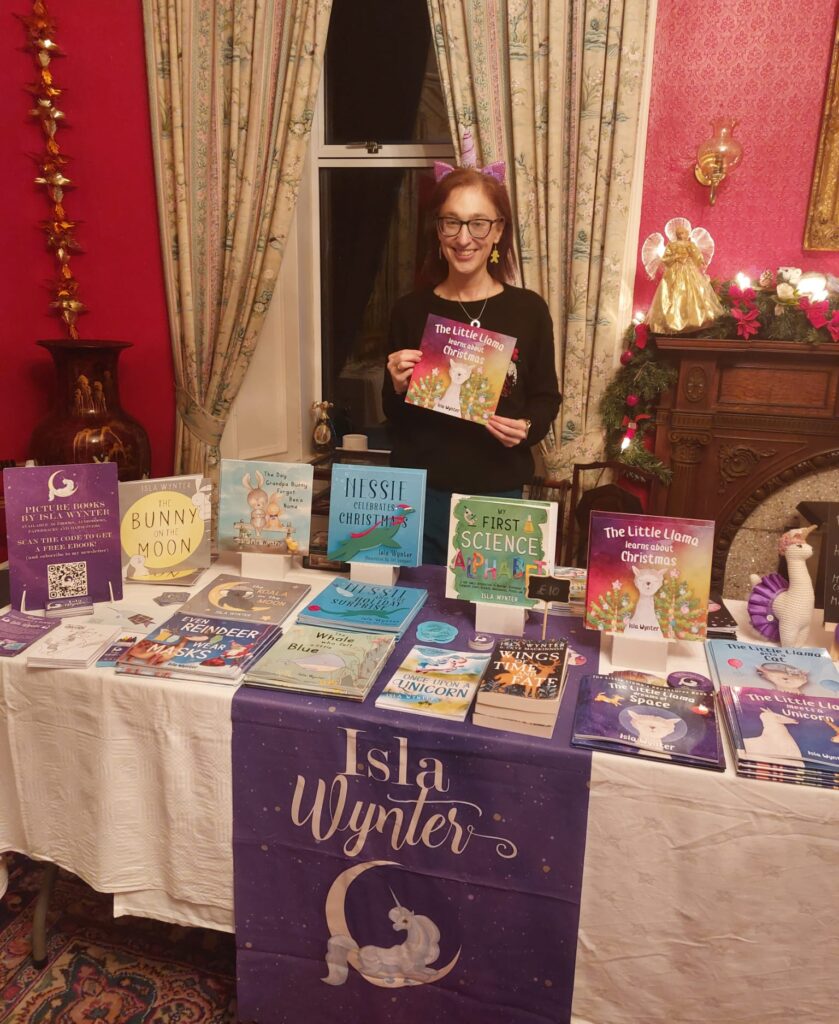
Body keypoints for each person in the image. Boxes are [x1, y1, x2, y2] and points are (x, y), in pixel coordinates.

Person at [383, 164, 561, 565]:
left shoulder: (528, 310)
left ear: (498, 230)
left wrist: (527, 429)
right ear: (438, 230)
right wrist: (395, 386)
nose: (464, 238)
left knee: (489, 621)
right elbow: (393, 414)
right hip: (419, 497)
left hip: (496, 496)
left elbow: (546, 396)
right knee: (418, 614)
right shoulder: (409, 311)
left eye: (478, 224)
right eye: (452, 223)